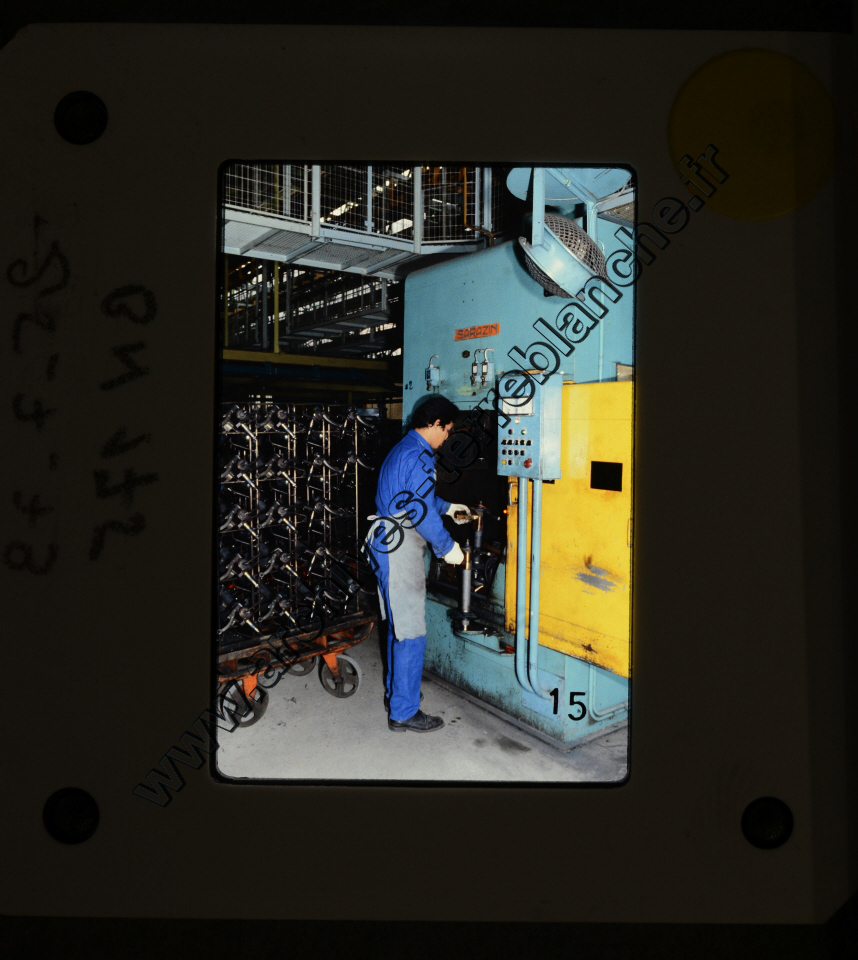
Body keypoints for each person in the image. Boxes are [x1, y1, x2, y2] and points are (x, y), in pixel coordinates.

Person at [365, 396, 470, 733]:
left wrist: (448, 507)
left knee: (398, 627)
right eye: (447, 430)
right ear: (436, 424)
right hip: (399, 549)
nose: (447, 437)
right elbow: (419, 512)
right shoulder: (419, 456)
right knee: (411, 632)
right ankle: (404, 712)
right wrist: (448, 547)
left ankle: (397, 695)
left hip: (385, 542)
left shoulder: (404, 448)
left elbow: (418, 498)